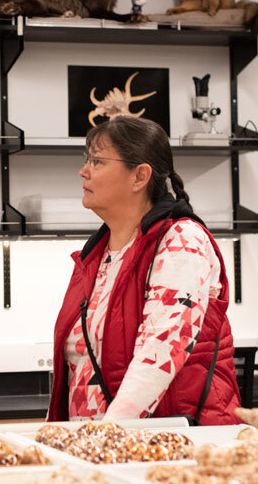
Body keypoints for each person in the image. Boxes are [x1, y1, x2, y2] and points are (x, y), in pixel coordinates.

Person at [47, 116, 242, 425]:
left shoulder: (182, 242)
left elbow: (158, 355)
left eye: (96, 161)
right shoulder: (96, 254)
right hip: (104, 451)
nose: (83, 171)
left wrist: (105, 437)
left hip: (174, 449)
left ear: (139, 176)